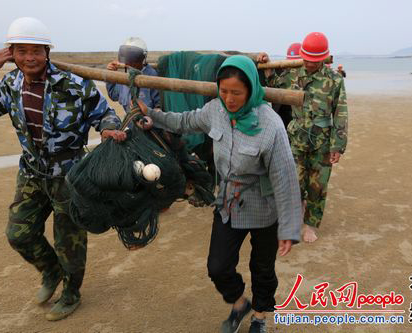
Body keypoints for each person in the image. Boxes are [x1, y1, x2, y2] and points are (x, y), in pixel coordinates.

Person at [0, 17, 126, 321]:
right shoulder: (11, 83)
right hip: (31, 172)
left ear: (47, 53)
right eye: (22, 51)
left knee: (69, 241)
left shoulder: (73, 84)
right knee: (19, 233)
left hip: (70, 175)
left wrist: (108, 129)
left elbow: (104, 113)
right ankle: (51, 271)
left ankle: (71, 292)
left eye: (37, 51)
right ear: (11, 53)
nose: (30, 58)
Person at [138, 55, 302, 333]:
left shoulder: (271, 124)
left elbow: (284, 178)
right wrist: (152, 116)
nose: (229, 99)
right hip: (228, 201)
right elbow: (184, 121)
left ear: (251, 89)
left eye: (236, 92)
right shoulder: (215, 110)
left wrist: (289, 228)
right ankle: (240, 304)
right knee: (218, 266)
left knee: (263, 269)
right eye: (223, 91)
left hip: (265, 207)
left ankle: (260, 317)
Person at [258, 32, 348, 243]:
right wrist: (267, 65)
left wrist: (338, 145)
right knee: (294, 182)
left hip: (322, 142)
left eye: (314, 61)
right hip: (296, 139)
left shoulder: (333, 79)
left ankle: (310, 226)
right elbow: (273, 86)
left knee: (317, 186)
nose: (308, 64)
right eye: (306, 59)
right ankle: (295, 217)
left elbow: (341, 112)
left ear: (323, 58)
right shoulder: (292, 74)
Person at [106, 37, 160, 112]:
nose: (130, 62)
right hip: (130, 120)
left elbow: (158, 105)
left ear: (142, 59)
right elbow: (113, 95)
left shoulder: (151, 75)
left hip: (148, 120)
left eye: (134, 58)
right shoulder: (125, 77)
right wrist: (111, 74)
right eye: (128, 58)